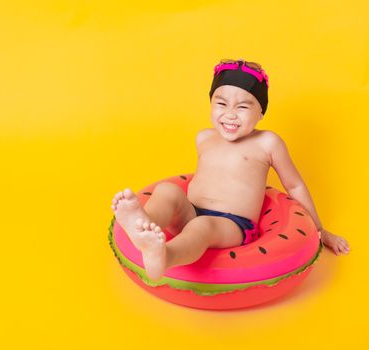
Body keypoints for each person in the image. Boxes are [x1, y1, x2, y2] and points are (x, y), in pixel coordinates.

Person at [111, 58, 351, 282]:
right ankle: (144, 225)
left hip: (232, 224)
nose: (230, 114)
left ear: (261, 112)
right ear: (211, 104)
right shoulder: (204, 137)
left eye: (243, 107)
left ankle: (164, 256)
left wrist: (319, 229)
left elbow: (294, 185)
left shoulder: (268, 143)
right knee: (167, 191)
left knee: (201, 228)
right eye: (221, 103)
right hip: (190, 211)